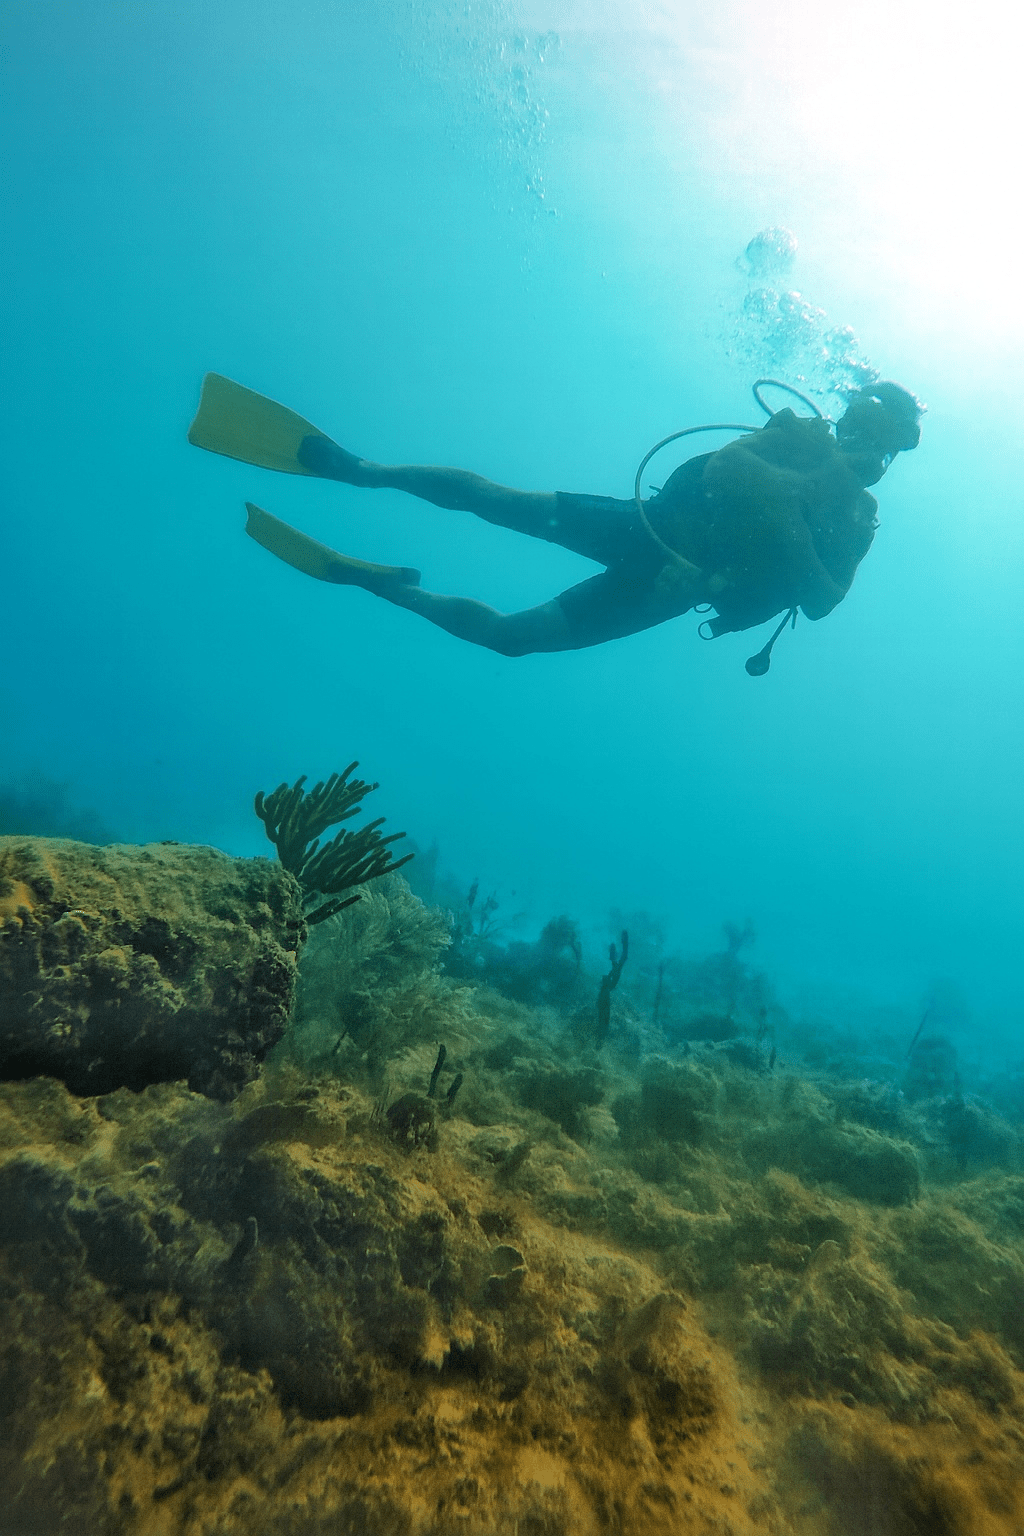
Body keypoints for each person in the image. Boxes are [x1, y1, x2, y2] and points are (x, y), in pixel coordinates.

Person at [188, 373, 922, 664]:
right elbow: (729, 468)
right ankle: (357, 469)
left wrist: (779, 533)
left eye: (880, 436)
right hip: (647, 525)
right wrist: (796, 506)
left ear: (893, 450)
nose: (861, 440)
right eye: (860, 418)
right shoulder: (797, 436)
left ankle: (381, 584)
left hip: (670, 589)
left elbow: (826, 601)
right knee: (493, 499)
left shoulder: (860, 513)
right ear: (848, 410)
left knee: (512, 640)